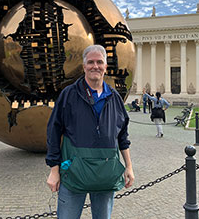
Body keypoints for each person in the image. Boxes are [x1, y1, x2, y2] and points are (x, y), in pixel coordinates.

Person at [46, 44, 135, 219]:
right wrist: (54, 170)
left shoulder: (115, 98)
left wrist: (129, 167)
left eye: (99, 62)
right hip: (73, 175)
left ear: (105, 67)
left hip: (105, 175)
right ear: (84, 66)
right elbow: (53, 132)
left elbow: (122, 136)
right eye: (91, 62)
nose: (95, 66)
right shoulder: (69, 95)